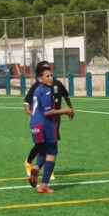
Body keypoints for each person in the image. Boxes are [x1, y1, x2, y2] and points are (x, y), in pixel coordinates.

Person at [28, 64, 75, 194]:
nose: (50, 78)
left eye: (51, 76)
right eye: (47, 76)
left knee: (43, 151)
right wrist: (65, 111)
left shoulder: (37, 90)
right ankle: (43, 185)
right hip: (45, 125)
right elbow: (48, 113)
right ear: (40, 79)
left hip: (35, 124)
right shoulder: (46, 91)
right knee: (52, 153)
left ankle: (36, 167)